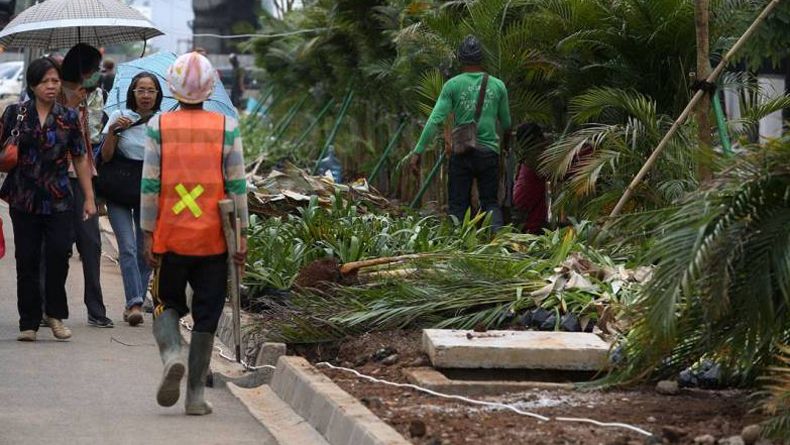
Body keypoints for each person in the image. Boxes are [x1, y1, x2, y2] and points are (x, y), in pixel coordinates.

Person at [142, 52, 248, 415]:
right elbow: (237, 187)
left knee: (164, 302)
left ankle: (173, 353)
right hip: (214, 240)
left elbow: (150, 185)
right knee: (207, 315)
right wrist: (242, 238)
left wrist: (146, 234)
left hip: (171, 236)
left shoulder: (158, 126)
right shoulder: (226, 127)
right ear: (210, 88)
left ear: (171, 87)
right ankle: (196, 397)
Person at [1, 57, 97, 342]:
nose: (52, 86)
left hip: (59, 198)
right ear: (33, 85)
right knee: (27, 259)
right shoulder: (15, 114)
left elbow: (80, 158)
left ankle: (54, 315)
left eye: (55, 81)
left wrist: (89, 198)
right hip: (23, 198)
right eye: (45, 81)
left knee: (59, 255)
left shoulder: (68, 118)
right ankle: (28, 322)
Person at [409, 35, 511, 230]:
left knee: (457, 206)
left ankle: (457, 248)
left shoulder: (453, 85)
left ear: (460, 59)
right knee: (490, 202)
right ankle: (499, 244)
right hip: (488, 153)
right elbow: (507, 123)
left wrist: (418, 152)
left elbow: (434, 120)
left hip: (462, 153)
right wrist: (503, 146)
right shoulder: (498, 86)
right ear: (482, 58)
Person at [100, 72, 163, 326]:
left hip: (149, 191)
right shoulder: (119, 117)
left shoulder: (162, 122)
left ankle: (135, 299)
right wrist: (114, 132)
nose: (146, 95)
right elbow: (105, 156)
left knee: (145, 250)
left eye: (151, 91)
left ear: (158, 95)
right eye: (141, 90)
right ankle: (135, 302)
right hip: (119, 190)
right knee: (126, 246)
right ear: (133, 93)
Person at [59, 43, 114, 328]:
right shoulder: (53, 90)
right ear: (83, 68)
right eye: (93, 69)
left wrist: (85, 104)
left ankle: (96, 308)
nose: (96, 74)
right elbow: (49, 132)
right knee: (56, 246)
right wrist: (69, 107)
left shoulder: (91, 95)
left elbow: (90, 136)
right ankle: (48, 307)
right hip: (55, 175)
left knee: (91, 242)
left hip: (82, 174)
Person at [512, 123, 549, 233]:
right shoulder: (535, 160)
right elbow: (560, 173)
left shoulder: (529, 158)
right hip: (527, 219)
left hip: (525, 214)